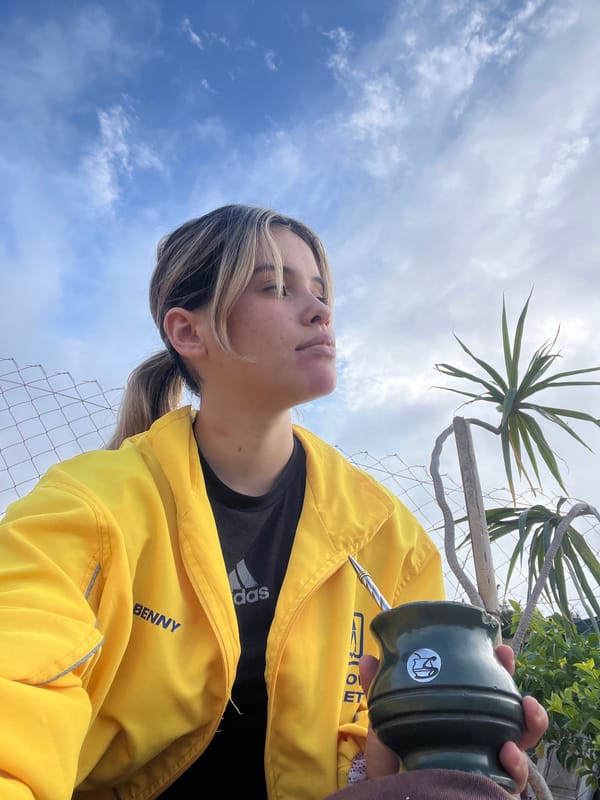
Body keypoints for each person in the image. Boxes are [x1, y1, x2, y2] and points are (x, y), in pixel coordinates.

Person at [0, 204, 547, 800]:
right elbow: (16, 682)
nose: (319, 310)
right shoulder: (88, 509)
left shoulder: (388, 535)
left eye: (319, 290)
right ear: (188, 331)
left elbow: (377, 757)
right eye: (276, 287)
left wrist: (403, 760)